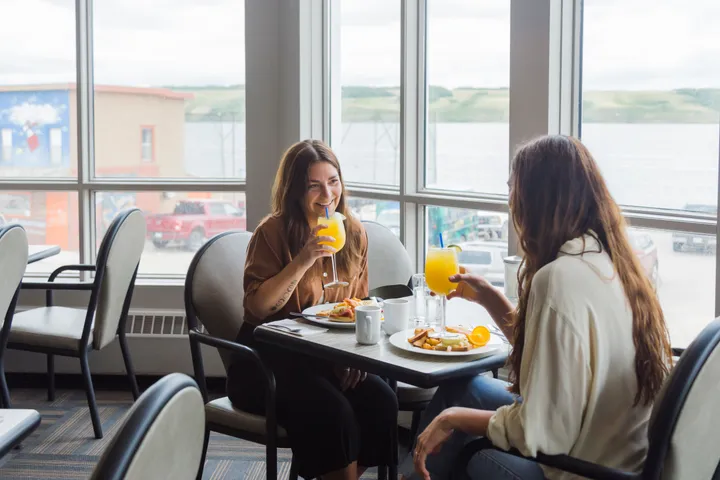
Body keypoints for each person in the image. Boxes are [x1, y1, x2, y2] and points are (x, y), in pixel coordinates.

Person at [402, 135, 673, 480]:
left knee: (471, 451)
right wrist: (488, 298)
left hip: (580, 467)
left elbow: (541, 433)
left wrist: (452, 418)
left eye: (513, 191)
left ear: (535, 201)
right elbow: (556, 358)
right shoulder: (608, 260)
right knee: (462, 387)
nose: (510, 204)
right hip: (615, 451)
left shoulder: (558, 278)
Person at [226, 139, 398, 480]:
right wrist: (305, 259)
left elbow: (359, 305)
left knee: (381, 400)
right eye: (314, 185)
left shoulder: (353, 232)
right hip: (266, 361)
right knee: (333, 412)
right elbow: (258, 308)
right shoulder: (271, 233)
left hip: (325, 355)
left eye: (333, 182)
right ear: (295, 190)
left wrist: (353, 357)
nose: (327, 194)